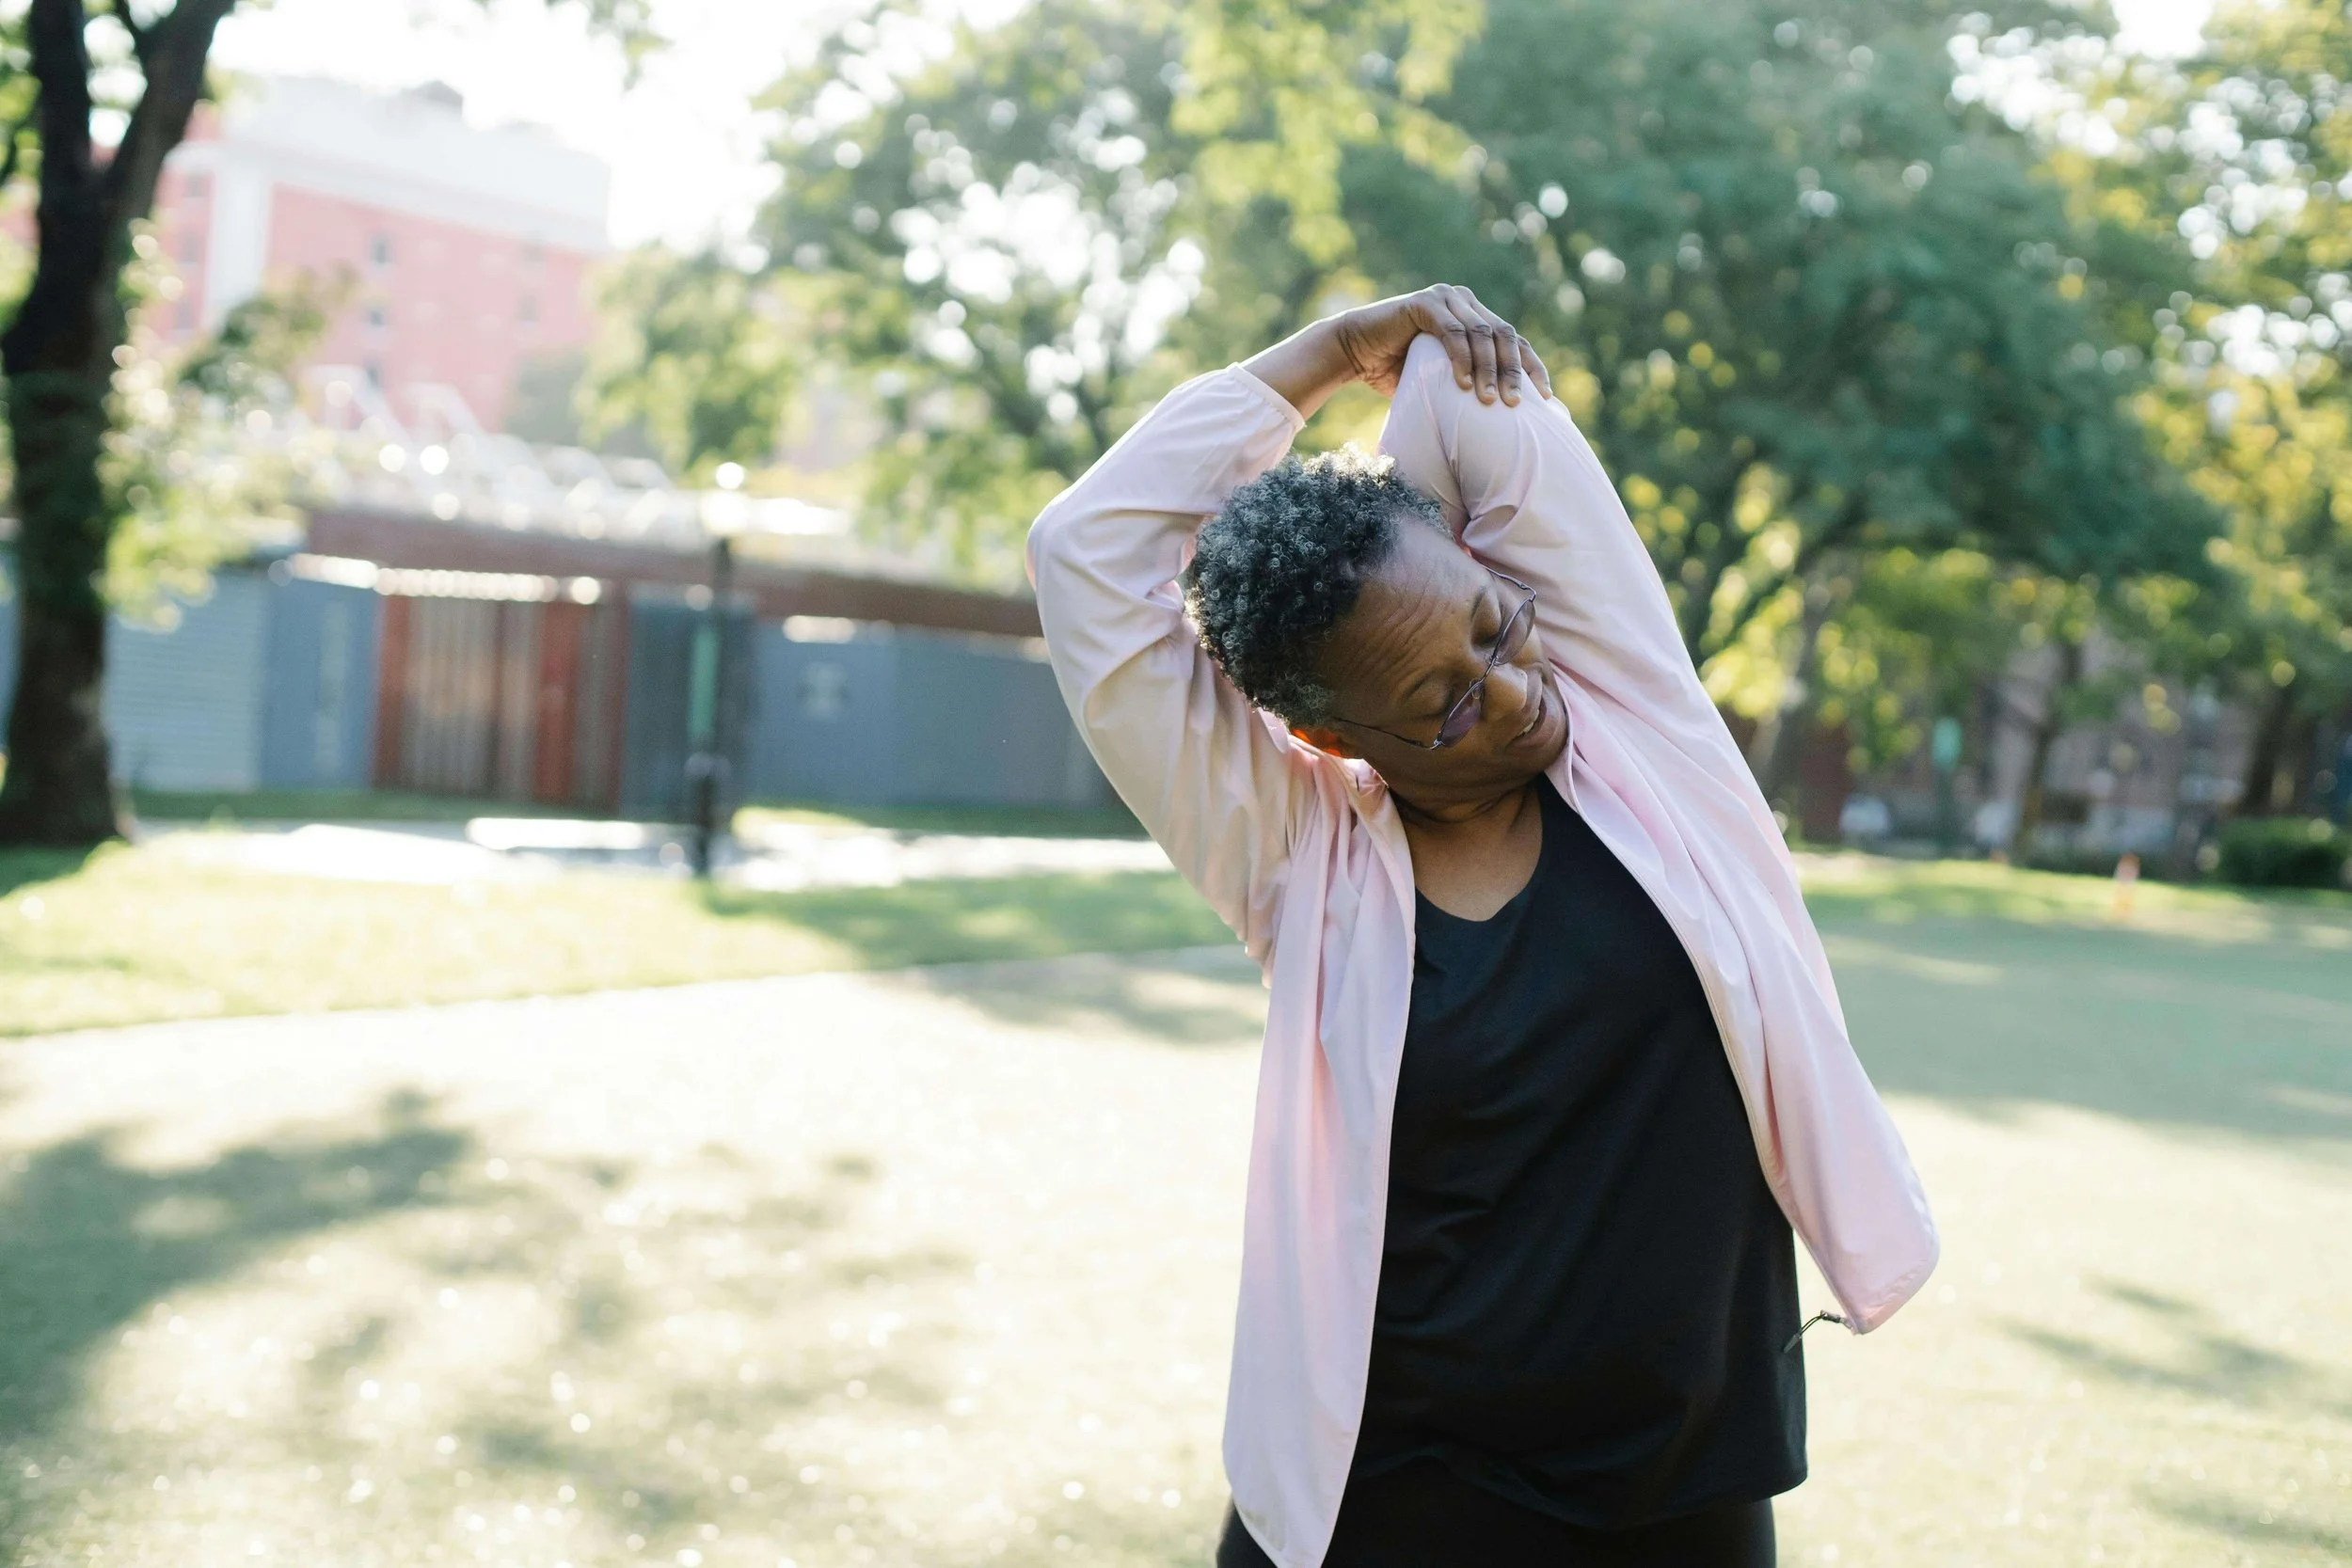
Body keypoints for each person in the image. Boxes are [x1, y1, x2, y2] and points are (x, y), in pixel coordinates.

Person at [1026, 285, 1939, 1568]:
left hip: (1681, 1485)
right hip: (1394, 1494)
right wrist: (1319, 360)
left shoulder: (1643, 735)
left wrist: (1390, 354)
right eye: (1443, 708)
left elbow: (1469, 391)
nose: (1516, 694)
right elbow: (1084, 555)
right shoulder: (1297, 857)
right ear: (1334, 737)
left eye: (1497, 626)